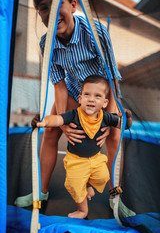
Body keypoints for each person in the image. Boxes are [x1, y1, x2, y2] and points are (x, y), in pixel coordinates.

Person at [15, 0, 135, 217]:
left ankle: (114, 195)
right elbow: (59, 86)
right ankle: (40, 193)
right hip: (73, 91)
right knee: (50, 131)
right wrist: (62, 123)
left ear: (73, 5)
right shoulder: (46, 42)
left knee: (114, 137)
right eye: (43, 8)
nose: (51, 14)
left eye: (57, 5)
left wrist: (108, 120)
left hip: (102, 92)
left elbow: (111, 76)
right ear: (39, 14)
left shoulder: (95, 32)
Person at [35, 75, 132, 219]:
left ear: (105, 103)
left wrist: (127, 118)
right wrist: (45, 121)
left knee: (103, 177)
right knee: (75, 186)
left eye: (97, 96)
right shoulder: (74, 115)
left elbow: (122, 124)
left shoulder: (105, 117)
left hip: (95, 159)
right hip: (76, 161)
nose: (91, 99)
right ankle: (82, 210)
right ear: (80, 99)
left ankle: (88, 186)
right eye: (87, 95)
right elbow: (57, 119)